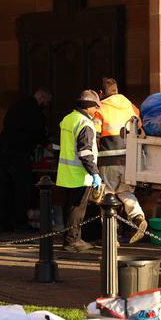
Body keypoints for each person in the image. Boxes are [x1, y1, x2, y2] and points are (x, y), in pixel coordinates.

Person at [95, 78, 148, 243]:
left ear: (101, 93)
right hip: (128, 160)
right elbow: (140, 131)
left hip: (108, 160)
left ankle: (111, 237)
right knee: (125, 192)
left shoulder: (100, 109)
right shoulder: (131, 106)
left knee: (107, 197)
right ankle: (138, 217)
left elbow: (95, 136)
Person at [0, 88, 52, 232]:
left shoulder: (17, 107)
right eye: (46, 101)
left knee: (5, 189)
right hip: (19, 154)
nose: (46, 104)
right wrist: (48, 144)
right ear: (41, 96)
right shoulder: (34, 111)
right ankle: (20, 222)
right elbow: (39, 133)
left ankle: (4, 222)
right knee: (22, 189)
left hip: (3, 152)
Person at [56, 89, 103, 252]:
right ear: (88, 106)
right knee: (77, 209)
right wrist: (95, 173)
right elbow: (85, 152)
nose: (97, 110)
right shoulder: (85, 124)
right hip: (80, 175)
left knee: (69, 207)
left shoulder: (68, 119)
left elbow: (58, 146)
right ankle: (72, 241)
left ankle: (70, 239)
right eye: (96, 107)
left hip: (66, 173)